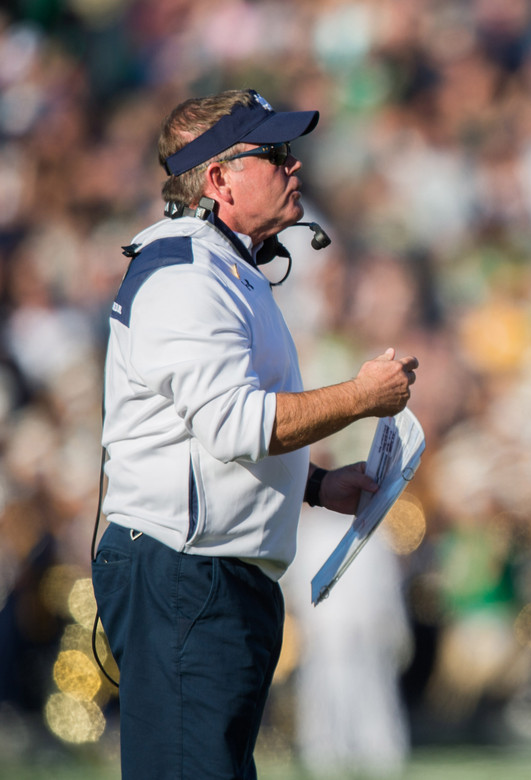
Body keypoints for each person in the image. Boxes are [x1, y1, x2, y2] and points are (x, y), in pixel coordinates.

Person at [91, 88, 419, 780]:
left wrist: (320, 485)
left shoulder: (221, 267)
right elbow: (237, 425)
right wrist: (362, 397)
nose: (294, 167)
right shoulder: (186, 273)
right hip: (185, 571)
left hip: (207, 570)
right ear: (217, 178)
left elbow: (210, 440)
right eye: (273, 154)